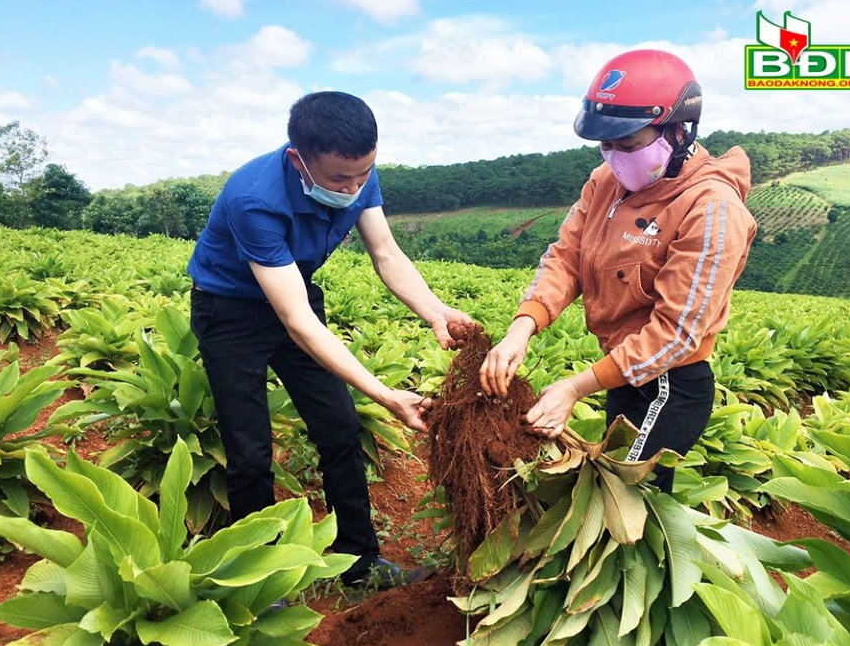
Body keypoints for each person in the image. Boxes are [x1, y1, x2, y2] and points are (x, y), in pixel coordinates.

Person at [187, 91, 473, 587]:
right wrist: (383, 394)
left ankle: (361, 565)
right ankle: (259, 580)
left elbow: (385, 253)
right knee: (250, 451)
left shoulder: (357, 171)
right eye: (341, 178)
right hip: (231, 311)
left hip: (295, 293)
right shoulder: (253, 198)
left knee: (340, 430)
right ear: (298, 159)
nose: (355, 186)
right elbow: (296, 321)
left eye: (365, 173)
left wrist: (435, 312)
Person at [480, 50, 756, 493]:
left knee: (623, 496)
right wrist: (522, 328)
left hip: (669, 384)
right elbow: (566, 255)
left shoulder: (713, 210)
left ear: (676, 131)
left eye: (628, 145)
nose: (614, 157)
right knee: (613, 495)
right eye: (606, 145)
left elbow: (677, 331)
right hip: (622, 373)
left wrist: (574, 388)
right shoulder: (606, 182)